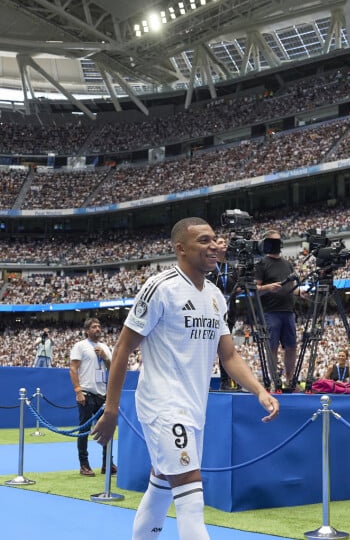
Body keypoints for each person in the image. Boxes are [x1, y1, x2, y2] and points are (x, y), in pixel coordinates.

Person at [92, 217, 279, 539]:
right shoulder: (160, 287)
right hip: (163, 405)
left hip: (195, 407)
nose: (214, 246)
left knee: (163, 484)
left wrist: (259, 391)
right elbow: (123, 347)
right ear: (180, 248)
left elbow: (229, 355)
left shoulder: (216, 296)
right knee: (191, 494)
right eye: (204, 241)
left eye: (215, 240)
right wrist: (111, 409)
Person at [69, 317, 115, 477]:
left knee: (107, 429)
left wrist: (105, 357)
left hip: (102, 395)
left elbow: (111, 367)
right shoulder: (80, 346)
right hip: (87, 393)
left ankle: (107, 463)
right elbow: (73, 369)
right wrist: (78, 390)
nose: (97, 329)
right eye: (94, 327)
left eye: (99, 326)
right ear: (87, 330)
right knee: (84, 429)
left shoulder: (104, 347)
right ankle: (84, 464)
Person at [255, 229, 300, 389]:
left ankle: (290, 379)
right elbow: (254, 288)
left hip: (288, 310)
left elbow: (292, 288)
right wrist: (267, 287)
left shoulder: (287, 263)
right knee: (272, 346)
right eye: (272, 240)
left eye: (277, 240)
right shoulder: (261, 264)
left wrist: (302, 293)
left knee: (291, 346)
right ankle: (275, 380)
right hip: (270, 311)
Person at [206, 235, 239, 390]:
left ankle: (226, 382)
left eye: (225, 242)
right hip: (212, 311)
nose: (224, 244)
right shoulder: (210, 265)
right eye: (220, 242)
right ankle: (204, 381)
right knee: (209, 347)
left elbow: (237, 287)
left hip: (229, 311)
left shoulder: (232, 267)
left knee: (227, 347)